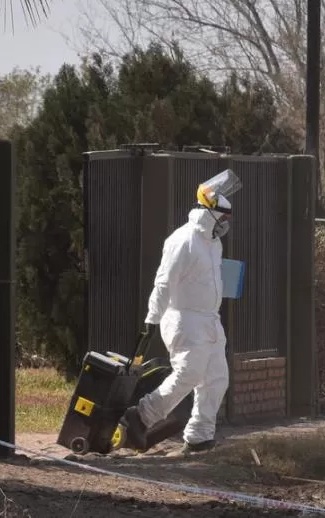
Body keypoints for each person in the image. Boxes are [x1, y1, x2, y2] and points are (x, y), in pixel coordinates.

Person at [120, 186, 234, 455]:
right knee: (188, 373)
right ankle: (140, 416)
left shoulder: (213, 243)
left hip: (209, 320)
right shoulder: (183, 240)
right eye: (223, 218)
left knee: (217, 378)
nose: (226, 224)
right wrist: (152, 317)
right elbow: (163, 282)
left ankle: (199, 437)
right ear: (209, 215)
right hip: (185, 319)